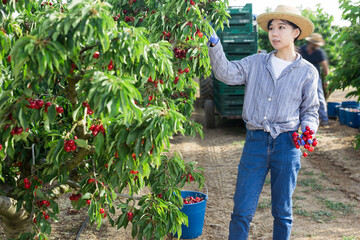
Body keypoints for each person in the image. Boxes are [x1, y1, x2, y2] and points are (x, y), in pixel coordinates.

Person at [206, 5, 320, 240]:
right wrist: (215, 44)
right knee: (241, 211)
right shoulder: (255, 63)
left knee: (282, 212)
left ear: (295, 32)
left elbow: (310, 110)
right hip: (255, 143)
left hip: (288, 144)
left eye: (281, 27)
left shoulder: (307, 72)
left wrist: (309, 129)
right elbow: (225, 73)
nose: (274, 33)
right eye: (271, 28)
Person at [299, 33, 330, 126]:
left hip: (315, 77)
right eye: (315, 44)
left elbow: (325, 67)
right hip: (301, 76)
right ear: (310, 43)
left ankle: (324, 119)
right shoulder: (302, 50)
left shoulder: (319, 52)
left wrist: (326, 80)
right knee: (300, 97)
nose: (316, 46)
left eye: (317, 44)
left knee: (319, 97)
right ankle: (301, 119)